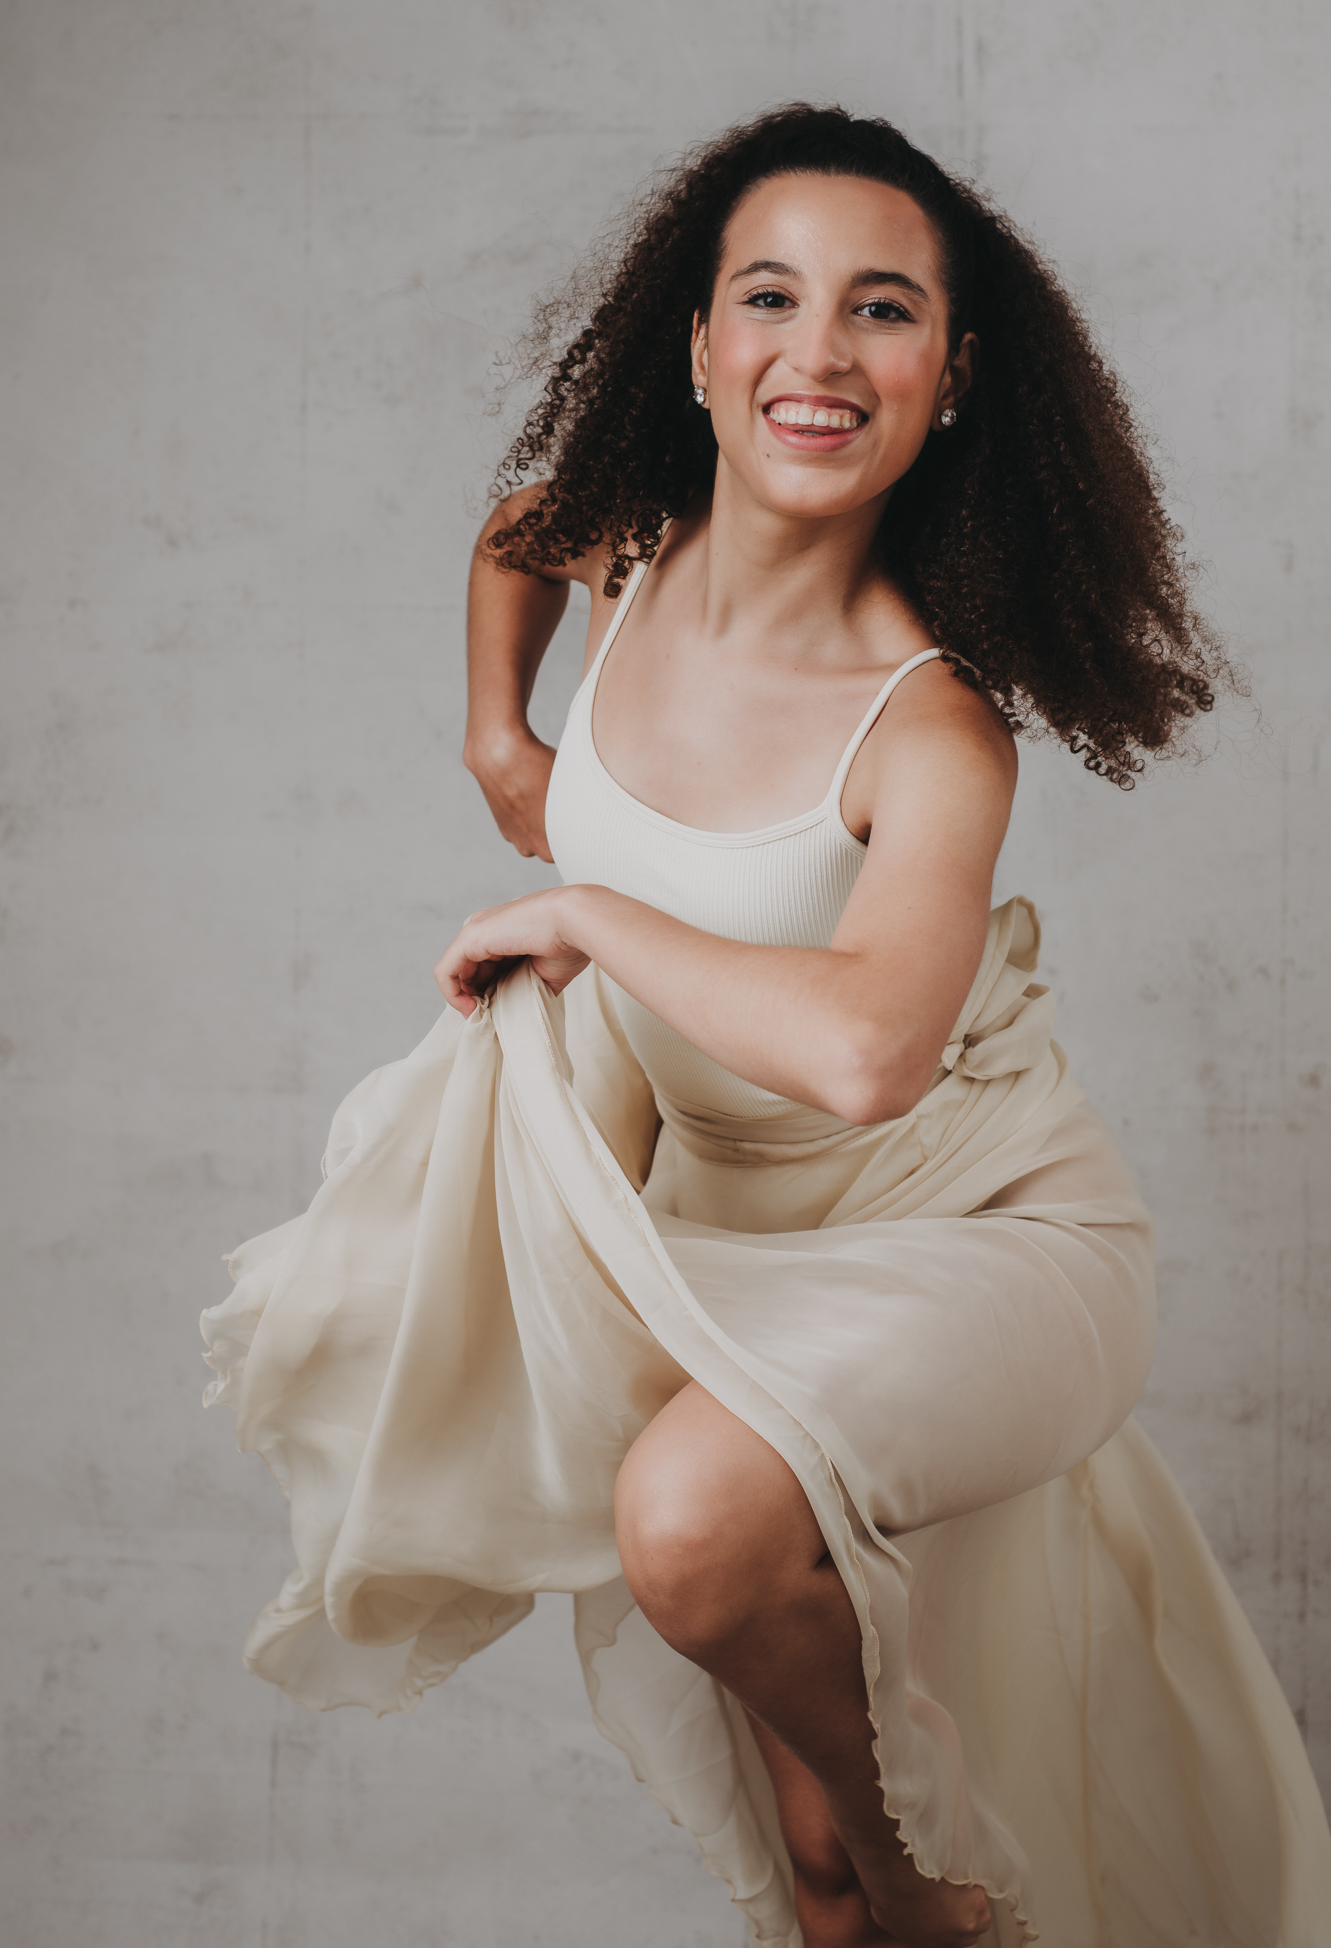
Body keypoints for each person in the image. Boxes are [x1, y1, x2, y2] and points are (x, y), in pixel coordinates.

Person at [203, 106, 1331, 1947]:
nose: (820, 353)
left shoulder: (931, 730)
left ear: (953, 377)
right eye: (772, 300)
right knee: (787, 1863)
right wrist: (504, 743)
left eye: (882, 311)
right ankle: (858, 1887)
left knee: (698, 1534)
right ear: (705, 351)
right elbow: (517, 523)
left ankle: (931, 1886)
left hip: (986, 1238)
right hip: (728, 1245)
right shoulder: (630, 545)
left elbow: (872, 1052)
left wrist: (584, 904)